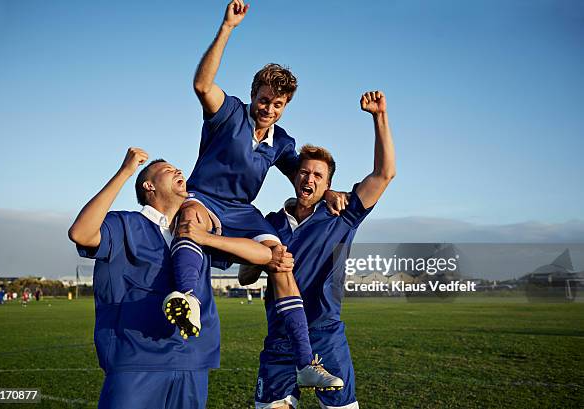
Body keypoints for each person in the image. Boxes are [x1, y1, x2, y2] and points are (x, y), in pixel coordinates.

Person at [163, 0, 346, 389]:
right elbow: (201, 84)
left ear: (285, 106)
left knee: (281, 261)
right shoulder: (227, 112)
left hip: (242, 212)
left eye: (278, 104)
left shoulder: (282, 142)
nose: (269, 109)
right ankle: (186, 298)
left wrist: (331, 192)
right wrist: (228, 27)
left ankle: (304, 363)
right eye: (265, 100)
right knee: (190, 218)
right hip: (204, 198)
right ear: (253, 94)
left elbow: (306, 175)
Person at [68, 148, 271, 409]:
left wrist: (206, 238)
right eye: (167, 169)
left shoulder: (195, 232)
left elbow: (263, 255)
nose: (178, 171)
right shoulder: (125, 224)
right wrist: (125, 172)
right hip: (135, 359)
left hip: (192, 361)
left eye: (178, 168)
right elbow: (81, 234)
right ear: (148, 186)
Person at [240, 91, 396, 408]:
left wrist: (379, 117)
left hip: (325, 335)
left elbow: (384, 175)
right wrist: (263, 258)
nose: (309, 178)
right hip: (280, 339)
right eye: (304, 172)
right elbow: (244, 277)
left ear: (327, 185)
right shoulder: (269, 224)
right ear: (295, 177)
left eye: (318, 175)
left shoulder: (342, 214)